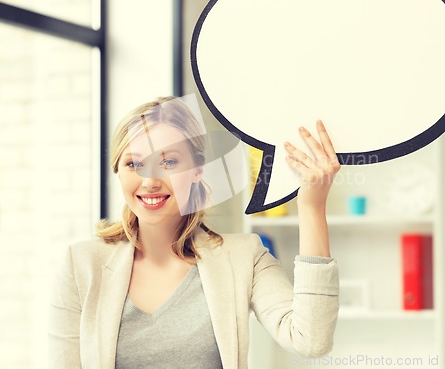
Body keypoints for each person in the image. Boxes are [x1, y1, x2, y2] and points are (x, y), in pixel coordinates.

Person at [48, 96, 340, 369]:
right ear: (118, 171)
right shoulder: (81, 264)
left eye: (168, 162)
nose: (149, 181)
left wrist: (312, 206)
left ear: (198, 170)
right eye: (134, 164)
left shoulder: (244, 257)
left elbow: (311, 340)